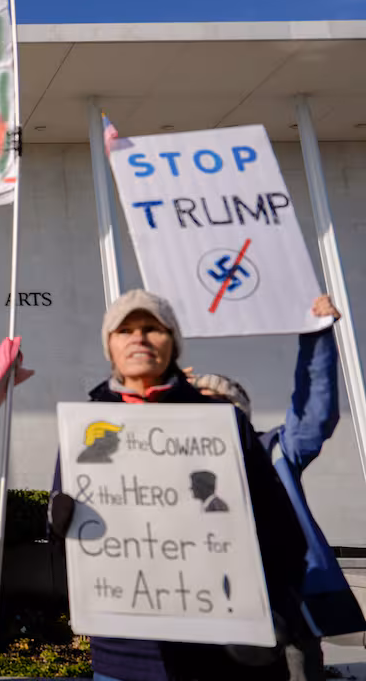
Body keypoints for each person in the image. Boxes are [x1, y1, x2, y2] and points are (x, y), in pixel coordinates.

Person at [49, 289, 308, 681]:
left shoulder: (222, 422)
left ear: (174, 343)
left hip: (221, 650)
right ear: (110, 346)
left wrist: (273, 611)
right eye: (125, 330)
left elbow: (280, 528)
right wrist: (58, 521)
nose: (139, 337)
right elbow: (64, 538)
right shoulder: (84, 428)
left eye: (153, 328)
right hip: (125, 655)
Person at [189, 294, 365, 681]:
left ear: (241, 414)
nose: (208, 412)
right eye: (197, 404)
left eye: (220, 403)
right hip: (203, 613)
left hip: (285, 612)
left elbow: (314, 412)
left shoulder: (275, 452)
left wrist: (315, 339)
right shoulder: (175, 465)